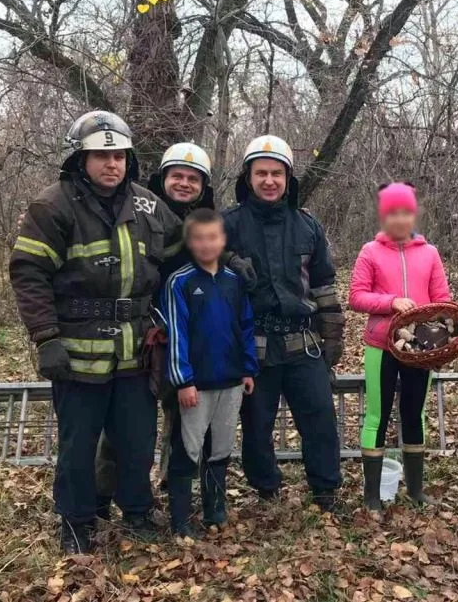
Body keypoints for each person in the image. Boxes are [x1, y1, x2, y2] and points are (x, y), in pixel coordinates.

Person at [9, 111, 182, 553]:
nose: (112, 164)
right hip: (76, 352)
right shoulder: (52, 206)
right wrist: (46, 337)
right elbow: (29, 272)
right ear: (79, 158)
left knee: (136, 440)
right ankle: (75, 523)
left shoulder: (148, 204)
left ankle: (138, 512)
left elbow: (184, 251)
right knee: (78, 446)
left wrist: (225, 260)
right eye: (102, 155)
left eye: (119, 155)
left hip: (135, 351)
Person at [93, 143, 232, 521]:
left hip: (191, 339)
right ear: (162, 179)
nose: (184, 184)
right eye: (177, 177)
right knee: (124, 422)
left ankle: (176, 491)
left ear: (203, 186)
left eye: (193, 179)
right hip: (142, 332)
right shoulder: (137, 213)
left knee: (185, 419)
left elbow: (219, 263)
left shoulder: (210, 224)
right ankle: (101, 495)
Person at [223, 135, 345, 512]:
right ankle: (266, 488)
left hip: (302, 343)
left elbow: (324, 284)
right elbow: (203, 265)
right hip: (252, 345)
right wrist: (229, 260)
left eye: (277, 173)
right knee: (256, 425)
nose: (270, 181)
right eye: (262, 173)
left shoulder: (307, 225)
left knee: (320, 418)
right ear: (248, 176)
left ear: (288, 178)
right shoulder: (228, 223)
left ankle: (325, 490)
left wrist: (332, 337)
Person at [349, 182, 452, 511]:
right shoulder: (370, 252)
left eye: (405, 212)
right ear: (383, 215)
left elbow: (443, 301)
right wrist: (391, 302)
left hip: (421, 349)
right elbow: (356, 297)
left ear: (413, 214)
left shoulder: (430, 253)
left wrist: (442, 343)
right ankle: (371, 496)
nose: (399, 219)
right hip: (381, 345)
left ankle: (416, 490)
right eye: (392, 212)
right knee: (376, 417)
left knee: (414, 415)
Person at [158, 208, 258, 536]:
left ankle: (215, 509)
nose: (206, 244)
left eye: (212, 237)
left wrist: (247, 368)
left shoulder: (233, 282)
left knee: (220, 448)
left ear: (222, 240)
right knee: (188, 449)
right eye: (199, 238)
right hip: (195, 386)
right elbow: (176, 335)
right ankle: (181, 520)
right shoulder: (180, 282)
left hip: (230, 381)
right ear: (190, 241)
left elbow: (245, 326)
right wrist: (183, 380)